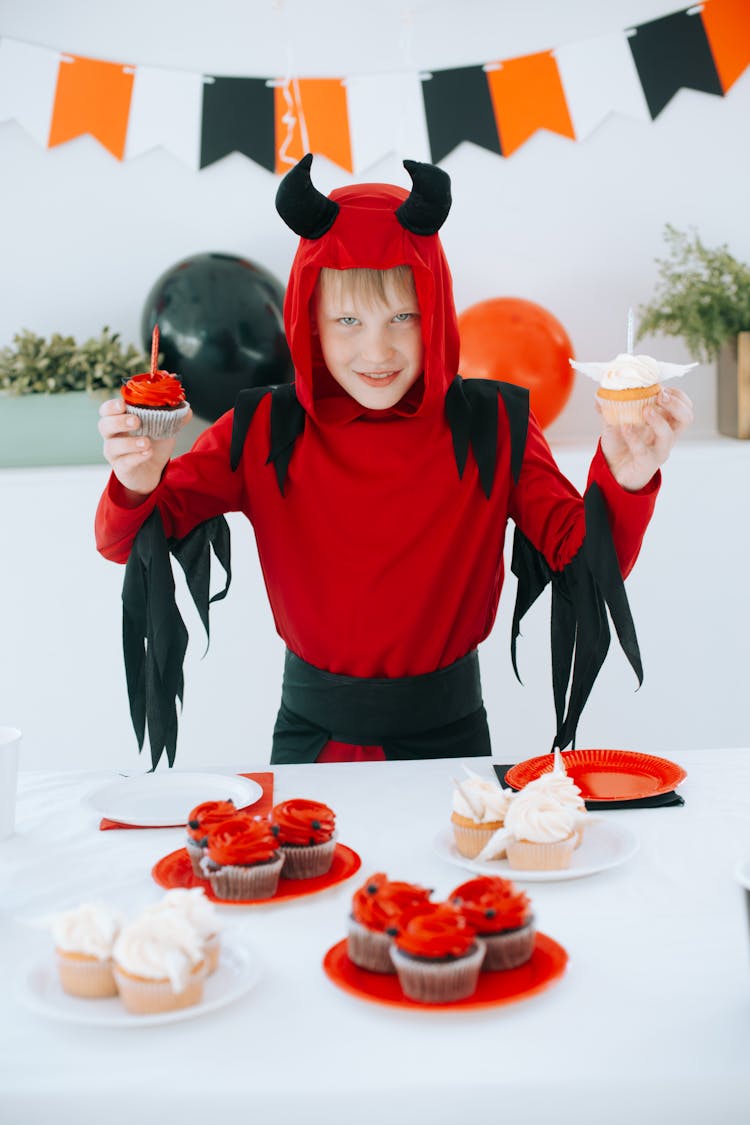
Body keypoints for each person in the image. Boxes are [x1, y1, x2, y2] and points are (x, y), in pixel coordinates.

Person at [95, 154, 693, 766]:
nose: (375, 349)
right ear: (311, 322)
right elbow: (125, 543)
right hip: (311, 744)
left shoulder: (494, 425)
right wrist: (136, 482)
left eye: (402, 316)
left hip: (451, 742)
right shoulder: (263, 429)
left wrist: (626, 477)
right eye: (347, 320)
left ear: (434, 311)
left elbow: (587, 560)